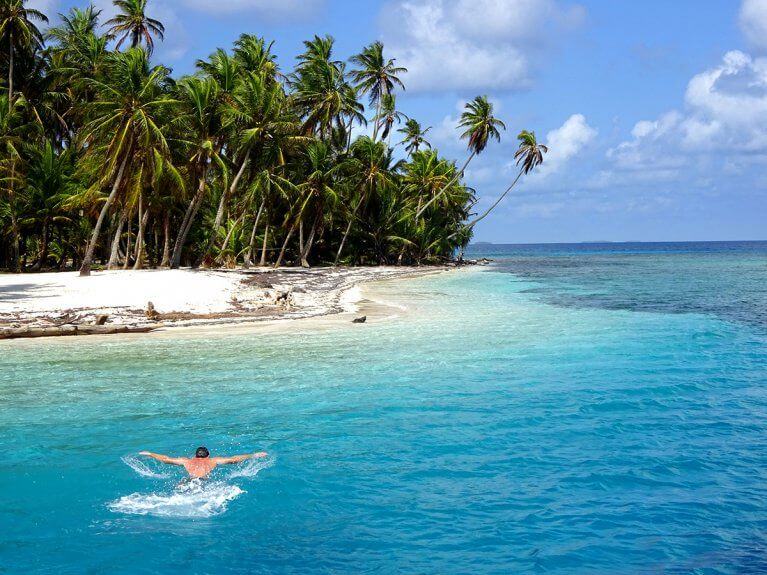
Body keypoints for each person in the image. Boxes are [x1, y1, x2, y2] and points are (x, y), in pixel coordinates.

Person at [139, 447, 268, 479]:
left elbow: (165, 459)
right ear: (208, 455)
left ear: (195, 455)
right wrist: (253, 455)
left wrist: (150, 453)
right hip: (204, 481)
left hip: (189, 480)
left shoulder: (186, 461)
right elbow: (234, 459)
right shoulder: (214, 460)